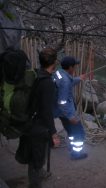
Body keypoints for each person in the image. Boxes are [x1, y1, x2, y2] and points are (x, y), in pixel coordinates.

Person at [16, 48, 60, 188]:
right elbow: (46, 111)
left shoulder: (36, 73)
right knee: (36, 160)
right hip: (38, 127)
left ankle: (38, 175)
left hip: (29, 121)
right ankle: (35, 185)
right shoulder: (47, 83)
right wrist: (53, 133)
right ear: (54, 62)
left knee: (35, 157)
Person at [53, 56, 88, 160]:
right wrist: (71, 116)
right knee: (79, 132)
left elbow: (66, 82)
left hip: (58, 111)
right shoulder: (66, 81)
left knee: (70, 130)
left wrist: (79, 78)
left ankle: (72, 146)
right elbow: (62, 101)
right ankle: (76, 154)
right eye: (74, 66)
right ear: (70, 67)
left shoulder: (59, 73)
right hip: (66, 111)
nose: (75, 68)